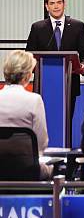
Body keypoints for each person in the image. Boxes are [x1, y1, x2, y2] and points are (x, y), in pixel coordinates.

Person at [26, 0, 84, 118]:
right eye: (52, 3)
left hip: (69, 83)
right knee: (44, 121)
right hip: (44, 84)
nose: (56, 6)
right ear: (47, 6)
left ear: (64, 4)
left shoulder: (77, 26)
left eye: (59, 2)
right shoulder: (37, 27)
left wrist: (83, 65)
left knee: (66, 120)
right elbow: (28, 54)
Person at [0, 50, 52, 179]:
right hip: (26, 170)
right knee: (54, 169)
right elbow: (41, 143)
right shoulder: (34, 100)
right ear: (27, 75)